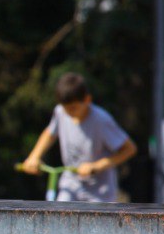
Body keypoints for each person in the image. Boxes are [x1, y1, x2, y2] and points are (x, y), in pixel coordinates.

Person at [21, 72, 136, 202]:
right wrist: (34, 156)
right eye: (66, 109)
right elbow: (50, 133)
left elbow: (129, 149)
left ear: (87, 100)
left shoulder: (101, 120)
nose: (69, 113)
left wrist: (96, 166)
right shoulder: (60, 112)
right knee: (59, 216)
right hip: (71, 183)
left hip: (99, 190)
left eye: (74, 108)